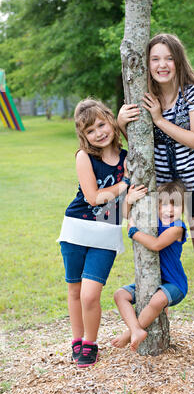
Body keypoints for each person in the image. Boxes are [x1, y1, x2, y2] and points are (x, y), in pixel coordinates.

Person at [117, 33, 194, 352]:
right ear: (147, 63)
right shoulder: (144, 94)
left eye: (168, 58)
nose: (162, 64)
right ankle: (156, 308)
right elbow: (134, 145)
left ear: (177, 60)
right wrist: (119, 122)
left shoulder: (190, 93)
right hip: (164, 191)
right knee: (161, 250)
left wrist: (159, 120)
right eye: (155, 58)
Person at [57, 98, 147, 367]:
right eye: (90, 131)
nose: (99, 133)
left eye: (101, 125)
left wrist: (128, 199)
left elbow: (125, 206)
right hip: (75, 228)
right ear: (83, 136)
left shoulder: (129, 158)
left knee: (90, 294)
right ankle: (77, 339)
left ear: (111, 121)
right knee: (74, 290)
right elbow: (94, 197)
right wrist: (125, 185)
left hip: (106, 233)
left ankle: (90, 342)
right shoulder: (84, 157)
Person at [112, 180, 188, 352]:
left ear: (183, 208)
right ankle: (136, 329)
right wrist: (129, 200)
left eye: (175, 205)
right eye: (164, 205)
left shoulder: (178, 227)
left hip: (175, 284)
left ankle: (128, 334)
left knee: (157, 300)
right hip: (152, 282)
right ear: (157, 207)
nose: (169, 210)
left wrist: (134, 233)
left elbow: (156, 244)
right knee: (120, 295)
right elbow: (127, 215)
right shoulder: (152, 222)